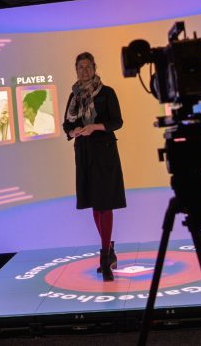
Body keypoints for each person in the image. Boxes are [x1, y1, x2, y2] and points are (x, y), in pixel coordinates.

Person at [63, 52, 126, 281]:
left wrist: (95, 127)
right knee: (94, 205)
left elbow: (117, 121)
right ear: (76, 69)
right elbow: (66, 124)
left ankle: (105, 258)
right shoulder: (74, 96)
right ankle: (109, 250)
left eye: (88, 66)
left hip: (104, 154)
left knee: (104, 204)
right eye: (80, 67)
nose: (84, 71)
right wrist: (73, 131)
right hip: (84, 154)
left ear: (94, 68)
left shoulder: (107, 92)